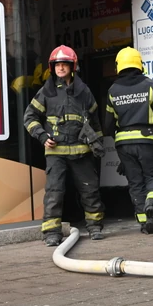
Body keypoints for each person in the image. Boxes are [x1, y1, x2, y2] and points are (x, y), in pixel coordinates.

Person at [23, 45, 106, 246]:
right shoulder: (47, 92)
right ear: (52, 67)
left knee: (90, 190)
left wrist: (98, 144)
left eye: (64, 64)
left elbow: (95, 121)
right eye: (57, 64)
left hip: (82, 150)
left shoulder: (84, 91)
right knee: (54, 192)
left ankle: (95, 226)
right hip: (56, 152)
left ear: (72, 66)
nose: (60, 68)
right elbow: (29, 117)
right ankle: (52, 233)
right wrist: (42, 136)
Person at [103, 47, 153, 234]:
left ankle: (144, 221)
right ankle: (152, 203)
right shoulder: (150, 85)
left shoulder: (112, 90)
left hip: (123, 144)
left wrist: (120, 141)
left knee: (135, 182)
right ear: (139, 63)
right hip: (147, 140)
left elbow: (108, 125)